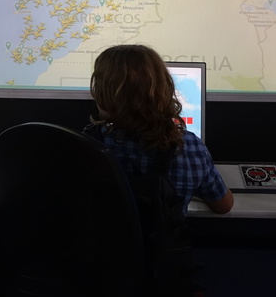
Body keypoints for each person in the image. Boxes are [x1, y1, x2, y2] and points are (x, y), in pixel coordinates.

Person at [86, 44, 233, 215]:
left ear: (101, 93)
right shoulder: (190, 148)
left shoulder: (88, 145)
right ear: (165, 88)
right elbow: (224, 206)